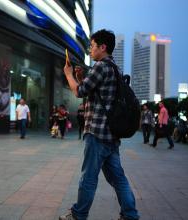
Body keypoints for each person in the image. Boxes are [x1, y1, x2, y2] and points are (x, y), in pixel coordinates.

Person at [60, 29, 139, 220]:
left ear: (102, 47)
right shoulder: (114, 68)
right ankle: (130, 215)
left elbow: (79, 92)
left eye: (92, 46)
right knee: (118, 178)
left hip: (97, 133)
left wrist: (69, 75)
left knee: (88, 177)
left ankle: (79, 215)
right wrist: (81, 78)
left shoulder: (100, 67)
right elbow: (95, 93)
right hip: (111, 135)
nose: (90, 50)